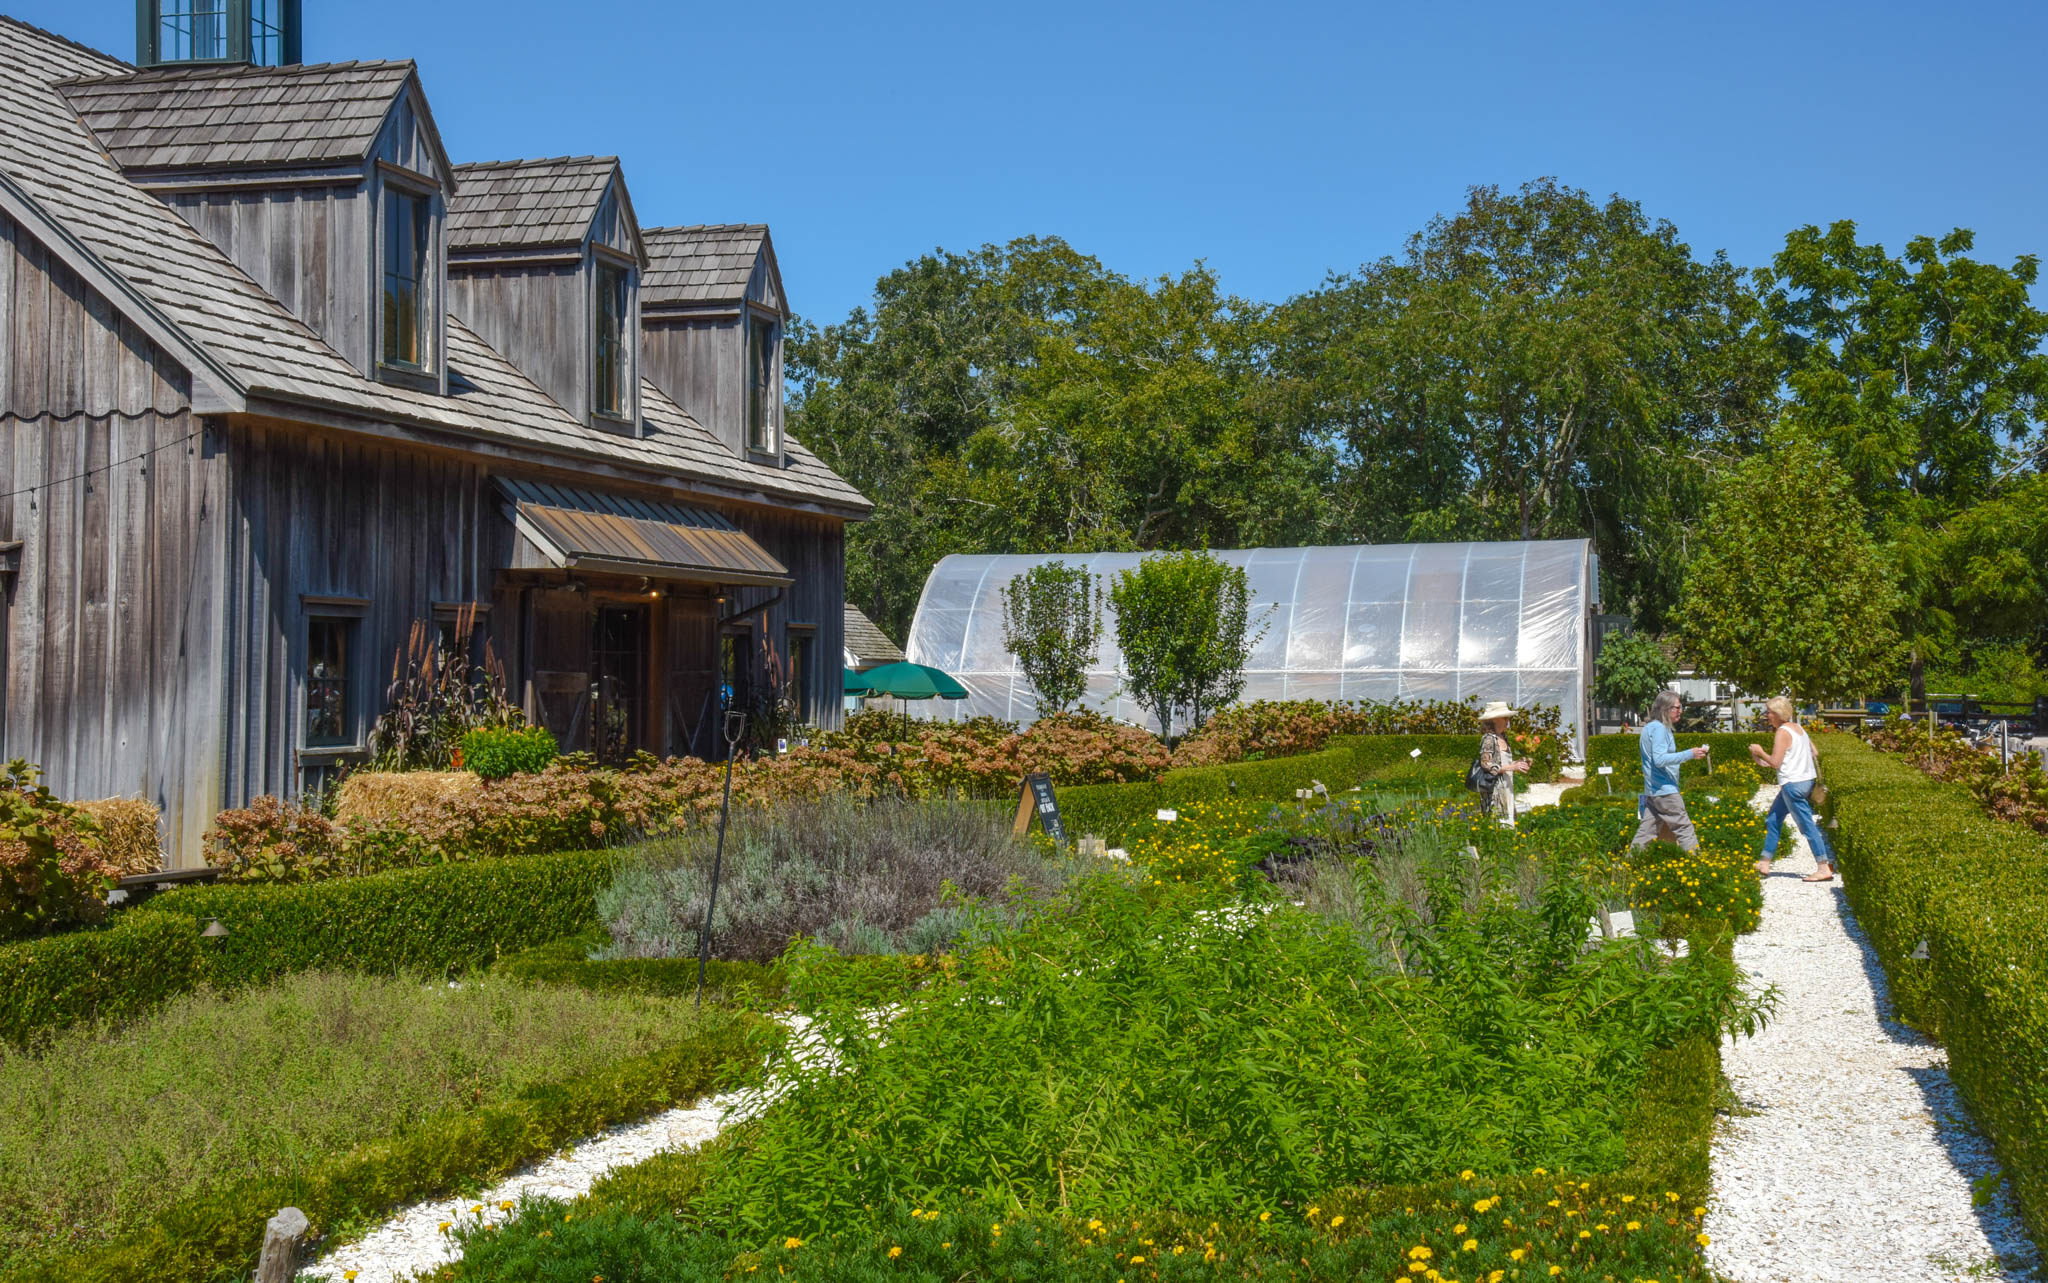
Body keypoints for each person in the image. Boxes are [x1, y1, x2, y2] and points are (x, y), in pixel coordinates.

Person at [1750, 695, 1836, 882]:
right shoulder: (1799, 728)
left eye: (1770, 712)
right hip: (1805, 782)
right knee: (1773, 818)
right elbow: (1815, 751)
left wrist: (1758, 751)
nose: (1767, 715)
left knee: (1807, 826)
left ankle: (1823, 867)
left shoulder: (1782, 732)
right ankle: (1765, 861)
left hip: (1792, 785)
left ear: (1779, 714)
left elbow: (1774, 762)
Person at [1632, 689, 1708, 851]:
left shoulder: (1649, 728)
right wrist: (1690, 754)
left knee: (1646, 832)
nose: (1680, 711)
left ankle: (1628, 865)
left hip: (1653, 790)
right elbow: (1659, 759)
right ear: (1665, 709)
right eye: (1677, 707)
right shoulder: (1659, 729)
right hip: (1665, 790)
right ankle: (1698, 867)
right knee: (1684, 829)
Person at [1476, 701, 1531, 824]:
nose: (1508, 720)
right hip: (1496, 791)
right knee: (1500, 823)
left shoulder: (1503, 737)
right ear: (1495, 719)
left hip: (1507, 787)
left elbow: (1504, 762)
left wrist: (1519, 764)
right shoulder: (1489, 738)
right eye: (1505, 717)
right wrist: (1511, 767)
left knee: (1509, 821)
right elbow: (1486, 764)